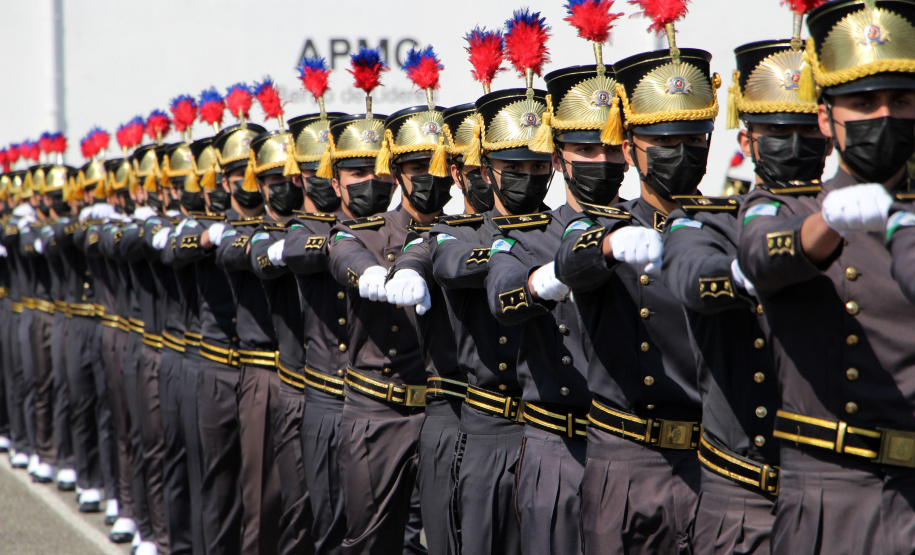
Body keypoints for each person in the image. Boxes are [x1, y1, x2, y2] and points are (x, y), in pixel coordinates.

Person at [738, 1, 915, 552]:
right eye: (862, 103)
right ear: (825, 118)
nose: (883, 117)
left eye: (902, 101)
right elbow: (761, 258)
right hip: (832, 493)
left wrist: (900, 222)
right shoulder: (788, 208)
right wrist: (827, 224)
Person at [662, 34, 832, 554]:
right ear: (748, 140)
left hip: (837, 498)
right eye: (777, 130)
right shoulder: (703, 221)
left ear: (828, 133)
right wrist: (754, 270)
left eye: (806, 129)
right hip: (743, 497)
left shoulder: (861, 218)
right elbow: (695, 281)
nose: (794, 144)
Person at [555, 35, 721, 552]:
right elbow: (570, 259)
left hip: (712, 464)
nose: (682, 154)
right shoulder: (606, 226)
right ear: (630, 149)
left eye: (695, 141)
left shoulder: (727, 225)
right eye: (664, 143)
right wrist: (609, 245)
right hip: (629, 458)